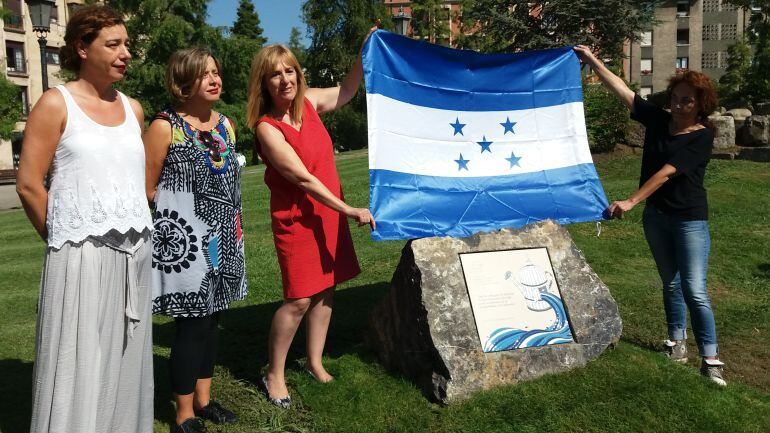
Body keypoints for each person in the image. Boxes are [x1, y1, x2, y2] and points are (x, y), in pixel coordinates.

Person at [15, 6, 154, 432]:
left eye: (126, 43)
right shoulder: (56, 104)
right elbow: (29, 185)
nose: (125, 53)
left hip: (137, 255)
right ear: (81, 47)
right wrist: (67, 239)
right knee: (78, 362)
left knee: (126, 360)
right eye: (113, 44)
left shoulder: (134, 109)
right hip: (81, 256)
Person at [573, 45, 726, 386]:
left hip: (689, 220)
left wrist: (630, 200)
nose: (678, 103)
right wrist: (593, 61)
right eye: (675, 96)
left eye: (687, 100)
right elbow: (624, 91)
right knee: (670, 283)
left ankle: (711, 357)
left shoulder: (702, 136)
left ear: (700, 105)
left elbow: (668, 172)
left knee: (694, 289)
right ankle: (676, 343)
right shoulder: (660, 120)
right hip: (657, 218)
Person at [246, 27, 377, 408]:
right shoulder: (267, 129)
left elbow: (348, 90)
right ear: (264, 83)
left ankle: (315, 363)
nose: (285, 79)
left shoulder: (310, 103)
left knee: (326, 288)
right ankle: (275, 373)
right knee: (299, 299)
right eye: (275, 74)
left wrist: (363, 52)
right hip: (297, 220)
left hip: (328, 214)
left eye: (290, 71)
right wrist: (349, 208)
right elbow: (302, 178)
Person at [144, 47, 247, 433]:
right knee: (192, 323)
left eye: (216, 72)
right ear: (184, 81)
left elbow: (230, 183)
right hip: (184, 241)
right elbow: (146, 186)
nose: (215, 79)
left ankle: (204, 401)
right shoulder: (164, 126)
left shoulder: (226, 125)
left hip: (224, 236)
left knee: (213, 319)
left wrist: (233, 227)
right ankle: (183, 413)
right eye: (205, 74)